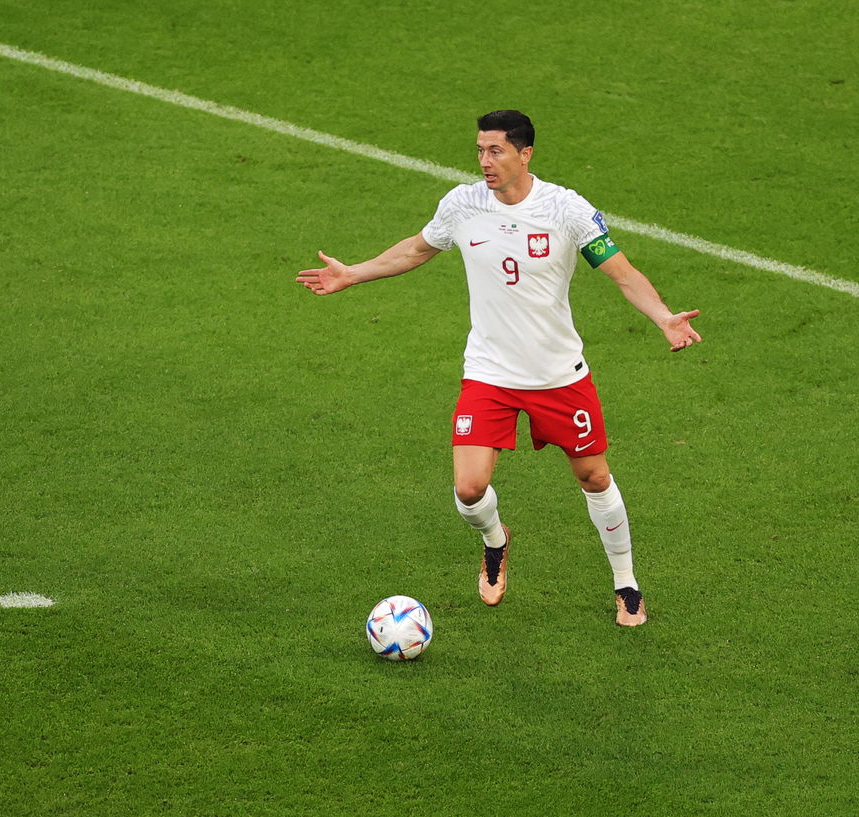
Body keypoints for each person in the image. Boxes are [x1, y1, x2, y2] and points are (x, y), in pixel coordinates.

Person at [296, 110, 701, 626]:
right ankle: (495, 539)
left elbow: (623, 274)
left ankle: (626, 583)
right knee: (468, 489)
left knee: (595, 477)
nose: (485, 161)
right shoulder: (462, 204)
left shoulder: (566, 209)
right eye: (480, 150)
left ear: (525, 153)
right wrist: (353, 274)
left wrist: (664, 317)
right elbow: (418, 249)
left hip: (559, 376)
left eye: (496, 151)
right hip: (489, 374)